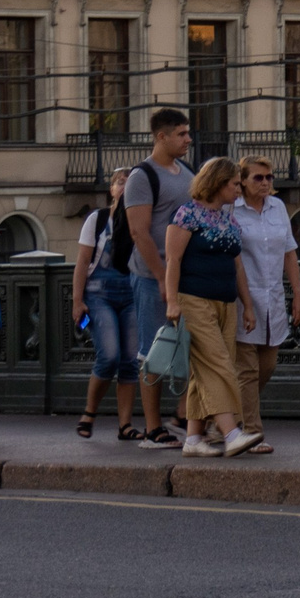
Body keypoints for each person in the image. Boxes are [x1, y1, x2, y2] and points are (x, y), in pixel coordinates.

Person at [162, 157, 264, 459]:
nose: (239, 189)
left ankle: (193, 439)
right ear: (218, 183)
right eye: (235, 184)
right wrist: (171, 301)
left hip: (225, 302)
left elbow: (237, 265)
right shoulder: (187, 214)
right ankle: (231, 432)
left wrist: (247, 305)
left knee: (203, 373)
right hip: (193, 300)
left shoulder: (228, 219)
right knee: (218, 364)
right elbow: (174, 260)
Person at [121, 107, 195, 448]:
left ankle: (183, 414)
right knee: (153, 351)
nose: (187, 139)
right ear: (160, 136)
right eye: (181, 134)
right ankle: (153, 428)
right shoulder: (142, 176)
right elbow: (140, 232)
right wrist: (163, 278)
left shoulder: (187, 173)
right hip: (154, 278)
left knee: (193, 347)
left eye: (187, 132)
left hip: (186, 276)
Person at [229, 155, 300, 452]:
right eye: (258, 178)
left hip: (273, 297)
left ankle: (225, 419)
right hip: (242, 298)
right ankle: (251, 432)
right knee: (246, 370)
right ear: (243, 181)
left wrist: (297, 293)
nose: (265, 183)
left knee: (266, 366)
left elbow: (289, 252)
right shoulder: (231, 210)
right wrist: (245, 302)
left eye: (269, 177)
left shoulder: (278, 208)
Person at [71, 169, 141, 441]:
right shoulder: (98, 220)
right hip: (99, 294)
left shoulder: (141, 220)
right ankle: (89, 411)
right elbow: (82, 263)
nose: (124, 187)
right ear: (111, 189)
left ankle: (125, 424)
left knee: (130, 360)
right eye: (120, 183)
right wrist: (77, 301)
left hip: (132, 292)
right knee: (109, 354)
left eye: (130, 183)